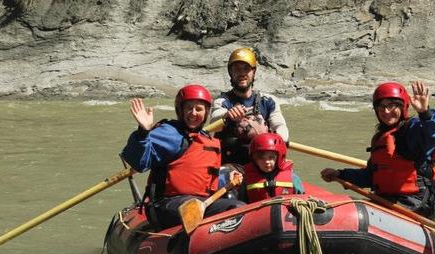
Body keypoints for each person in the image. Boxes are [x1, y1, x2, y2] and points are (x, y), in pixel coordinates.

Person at [320, 81, 435, 220]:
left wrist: (425, 113)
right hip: (388, 199)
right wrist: (340, 174)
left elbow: (431, 133)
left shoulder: (412, 131)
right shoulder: (381, 137)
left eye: (391, 105)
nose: (386, 111)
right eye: (381, 107)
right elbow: (371, 176)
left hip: (414, 201)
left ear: (403, 107)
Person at [122, 84, 245, 230]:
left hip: (199, 202)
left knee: (237, 204)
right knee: (234, 207)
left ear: (206, 112)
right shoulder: (169, 133)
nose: (193, 113)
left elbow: (202, 177)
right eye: (189, 108)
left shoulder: (205, 138)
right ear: (180, 111)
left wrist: (228, 178)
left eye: (199, 109)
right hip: (166, 205)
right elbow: (138, 163)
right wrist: (143, 132)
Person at [210, 47, 290, 166]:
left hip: (263, 165)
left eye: (246, 69)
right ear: (230, 73)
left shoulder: (268, 101)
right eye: (237, 69)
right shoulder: (222, 101)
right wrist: (227, 116)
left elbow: (280, 125)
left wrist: (277, 138)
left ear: (253, 72)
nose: (242, 73)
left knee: (294, 179)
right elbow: (214, 123)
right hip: (232, 165)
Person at [233, 133, 304, 203]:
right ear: (254, 160)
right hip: (258, 214)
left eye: (271, 157)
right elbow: (240, 204)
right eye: (261, 158)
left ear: (279, 158)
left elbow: (303, 201)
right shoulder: (246, 180)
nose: (267, 162)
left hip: (286, 213)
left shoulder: (293, 178)